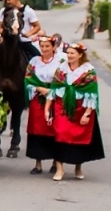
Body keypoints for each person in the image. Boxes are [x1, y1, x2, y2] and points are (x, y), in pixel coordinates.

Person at [51, 42, 105, 180]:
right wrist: (48, 109)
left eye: (72, 53)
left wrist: (87, 113)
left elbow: (92, 94)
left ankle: (78, 167)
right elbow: (54, 88)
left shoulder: (88, 72)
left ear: (80, 55)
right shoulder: (61, 70)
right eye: (68, 53)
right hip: (62, 107)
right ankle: (59, 169)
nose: (69, 55)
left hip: (81, 108)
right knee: (60, 134)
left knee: (79, 137)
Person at [23, 34, 65, 176]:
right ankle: (38, 163)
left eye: (47, 46)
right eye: (42, 46)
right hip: (38, 98)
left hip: (55, 99)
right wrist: (39, 89)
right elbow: (28, 79)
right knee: (37, 129)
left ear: (53, 47)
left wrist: (52, 90)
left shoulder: (60, 61)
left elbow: (65, 80)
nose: (44, 49)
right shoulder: (34, 61)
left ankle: (55, 161)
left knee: (55, 128)